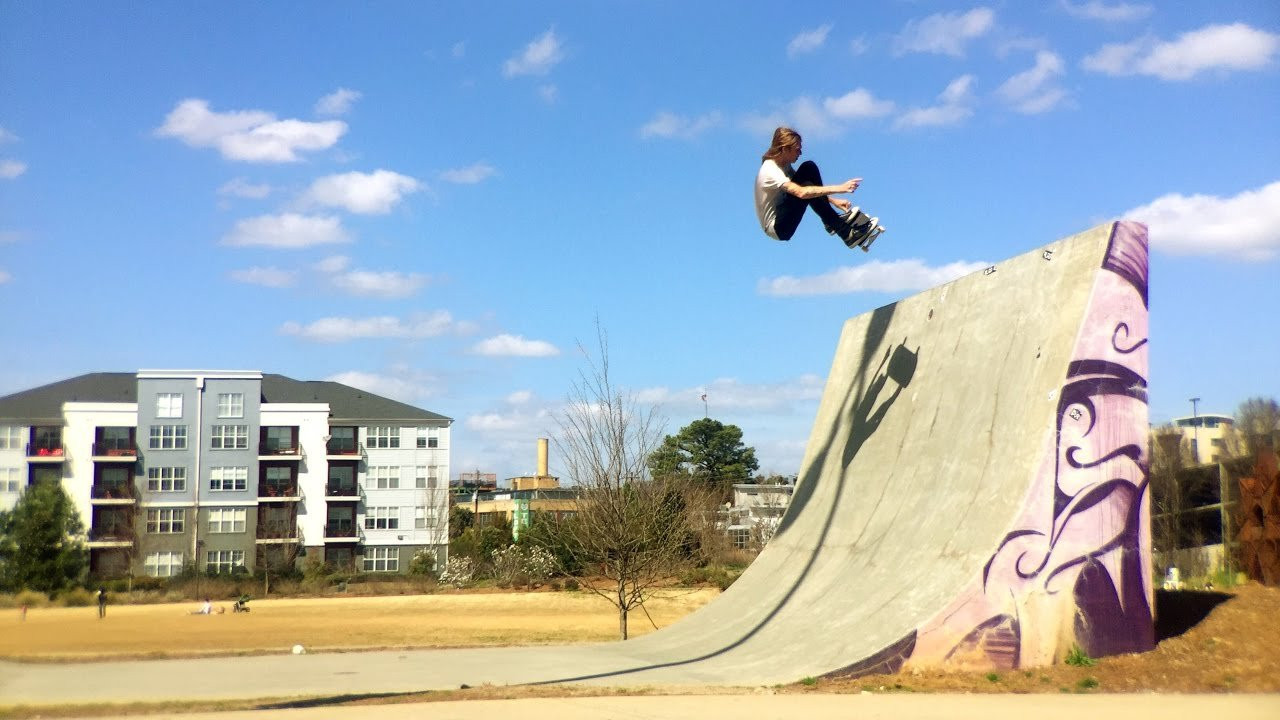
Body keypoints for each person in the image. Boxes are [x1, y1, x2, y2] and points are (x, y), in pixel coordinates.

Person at [754, 126, 872, 247]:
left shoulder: (783, 164)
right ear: (785, 149)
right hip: (778, 228)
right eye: (797, 150)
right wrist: (840, 188)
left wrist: (832, 201)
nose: (800, 153)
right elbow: (801, 192)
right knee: (807, 171)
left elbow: (808, 187)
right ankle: (845, 233)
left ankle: (831, 222)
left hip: (782, 216)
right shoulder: (771, 171)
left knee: (809, 168)